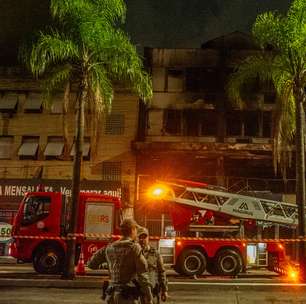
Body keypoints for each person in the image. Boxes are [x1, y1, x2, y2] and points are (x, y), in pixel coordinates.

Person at [88, 218, 153, 304]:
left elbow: (91, 264)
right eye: (136, 230)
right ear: (133, 230)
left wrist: (108, 264)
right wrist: (149, 297)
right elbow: (143, 275)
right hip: (127, 297)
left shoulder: (109, 247)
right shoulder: (134, 248)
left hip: (111, 297)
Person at [138, 227, 168, 303]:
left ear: (148, 238)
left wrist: (164, 290)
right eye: (140, 237)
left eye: (144, 237)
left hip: (152, 292)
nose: (142, 240)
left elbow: (162, 272)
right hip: (138, 294)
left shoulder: (155, 253)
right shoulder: (134, 254)